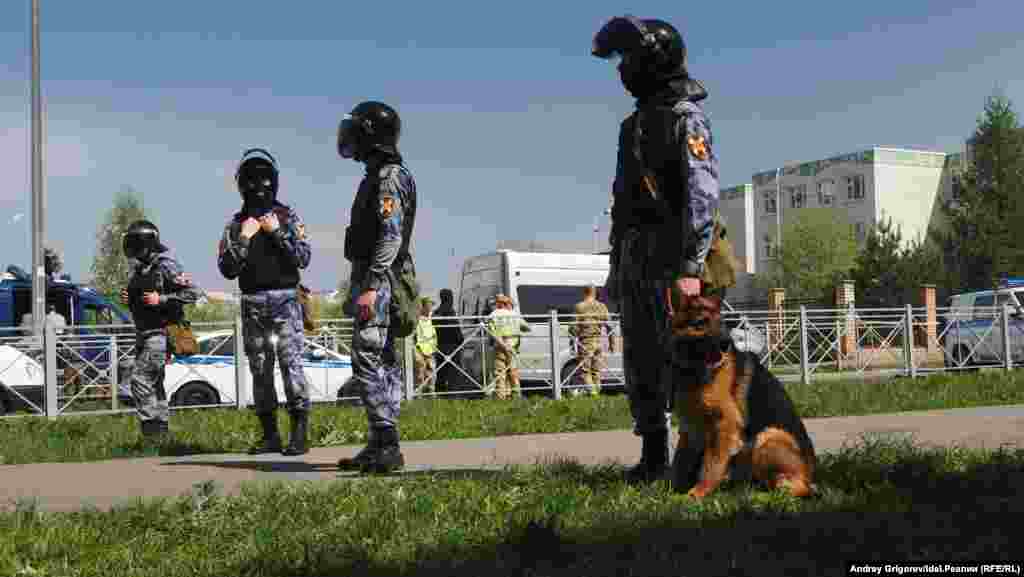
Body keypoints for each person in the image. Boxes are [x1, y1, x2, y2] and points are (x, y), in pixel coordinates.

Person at [592, 15, 725, 483]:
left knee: (687, 361)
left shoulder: (686, 118)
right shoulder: (632, 125)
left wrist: (690, 266)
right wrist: (616, 266)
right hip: (637, 256)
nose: (622, 68)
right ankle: (653, 455)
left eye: (628, 57)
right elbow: (623, 203)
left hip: (675, 257)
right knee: (641, 359)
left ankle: (701, 459)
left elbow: (701, 193)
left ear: (653, 60)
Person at [335, 101, 418, 474]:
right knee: (382, 359)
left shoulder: (389, 178)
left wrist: (371, 284)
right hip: (377, 277)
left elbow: (391, 235)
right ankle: (378, 443)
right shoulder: (379, 175)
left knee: (366, 357)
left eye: (356, 130)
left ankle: (387, 444)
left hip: (380, 280)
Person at [218, 148, 314, 456]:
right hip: (253, 303)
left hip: (285, 301)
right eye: (252, 180)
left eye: (263, 180)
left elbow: (303, 257)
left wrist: (277, 232)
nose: (258, 187)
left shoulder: (287, 216)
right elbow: (227, 268)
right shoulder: (236, 224)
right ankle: (270, 435)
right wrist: (245, 238)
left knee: (291, 365)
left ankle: (299, 433)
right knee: (260, 369)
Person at [120, 220, 201, 441]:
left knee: (140, 380)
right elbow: (143, 295)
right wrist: (130, 299)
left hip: (160, 334)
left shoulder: (166, 265)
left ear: (146, 243)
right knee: (154, 384)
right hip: (143, 333)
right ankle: (161, 434)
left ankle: (151, 430)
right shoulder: (140, 267)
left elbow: (193, 293)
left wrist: (162, 299)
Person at [568, 285, 614, 397]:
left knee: (585, 371)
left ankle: (593, 393)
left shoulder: (579, 307)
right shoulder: (602, 306)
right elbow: (610, 326)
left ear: (584, 292)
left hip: (585, 342)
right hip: (598, 342)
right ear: (595, 293)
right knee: (596, 370)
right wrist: (611, 343)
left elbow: (573, 328)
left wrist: (572, 343)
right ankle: (597, 392)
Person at [485, 294, 531, 400]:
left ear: (498, 304)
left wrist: (503, 345)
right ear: (507, 304)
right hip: (513, 348)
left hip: (500, 348)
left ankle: (501, 396)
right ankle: (516, 395)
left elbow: (493, 333)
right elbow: (527, 328)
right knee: (513, 371)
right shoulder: (514, 314)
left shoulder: (493, 315)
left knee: (500, 373)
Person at [432, 288, 463, 392]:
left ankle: (440, 392)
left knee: (441, 372)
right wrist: (461, 340)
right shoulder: (450, 311)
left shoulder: (436, 312)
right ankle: (453, 393)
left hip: (440, 345)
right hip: (453, 346)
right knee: (453, 372)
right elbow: (456, 329)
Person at [414, 297, 437, 395]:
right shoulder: (417, 319)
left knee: (431, 369)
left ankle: (431, 390)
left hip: (430, 348)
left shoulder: (431, 318)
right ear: (423, 307)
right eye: (428, 306)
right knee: (420, 369)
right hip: (420, 347)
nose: (430, 308)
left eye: (431, 306)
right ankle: (419, 391)